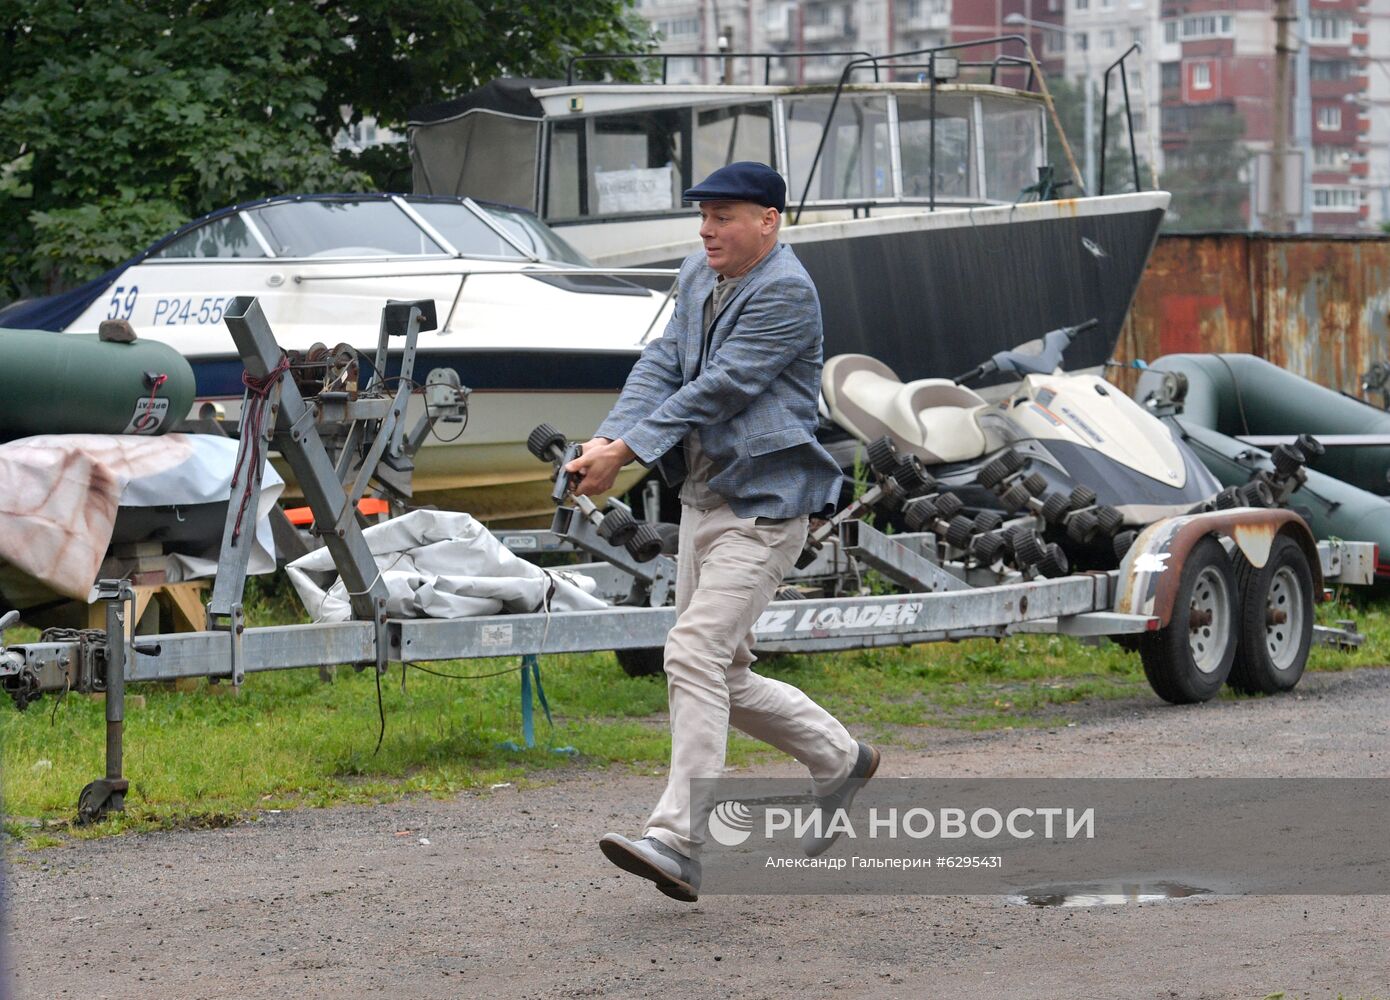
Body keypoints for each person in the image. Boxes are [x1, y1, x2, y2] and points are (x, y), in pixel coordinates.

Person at [564, 161, 880, 903]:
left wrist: (628, 452)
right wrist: (607, 440)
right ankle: (841, 760)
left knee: (693, 651)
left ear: (769, 221)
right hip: (703, 499)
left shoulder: (787, 292)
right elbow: (663, 365)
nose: (707, 228)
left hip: (766, 508)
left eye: (725, 215)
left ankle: (677, 840)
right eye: (703, 215)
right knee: (721, 673)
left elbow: (721, 387)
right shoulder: (697, 274)